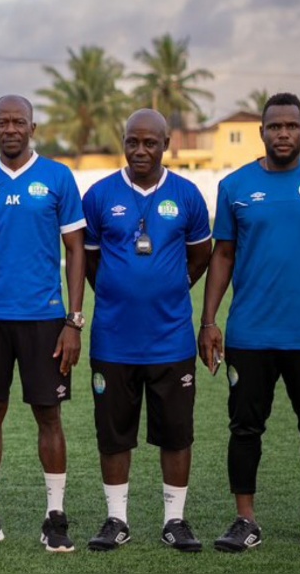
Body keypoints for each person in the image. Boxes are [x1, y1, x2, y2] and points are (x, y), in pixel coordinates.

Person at [199, 92, 300, 556]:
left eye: (292, 126)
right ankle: (244, 520)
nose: (283, 134)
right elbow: (224, 255)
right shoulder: (235, 186)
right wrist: (209, 320)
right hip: (250, 333)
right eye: (275, 127)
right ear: (263, 133)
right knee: (245, 429)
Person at [0, 95, 85, 553]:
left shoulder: (57, 177)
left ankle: (55, 516)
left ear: (34, 126)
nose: (11, 129)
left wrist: (74, 320)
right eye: (3, 122)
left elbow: (75, 252)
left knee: (48, 415)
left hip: (45, 319)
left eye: (19, 122)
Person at [81, 109, 211, 553]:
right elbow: (92, 263)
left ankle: (174, 521)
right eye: (132, 141)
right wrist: (121, 293)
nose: (140, 150)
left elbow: (200, 257)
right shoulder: (99, 195)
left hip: (170, 339)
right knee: (114, 433)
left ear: (166, 144)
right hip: (113, 339)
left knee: (176, 432)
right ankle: (117, 519)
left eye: (150, 143)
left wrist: (167, 288)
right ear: (123, 142)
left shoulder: (188, 195)